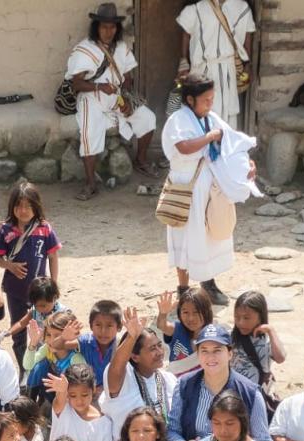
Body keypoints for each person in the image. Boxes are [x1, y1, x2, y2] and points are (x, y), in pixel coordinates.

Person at [163, 72, 258, 304]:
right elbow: (183, 147)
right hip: (187, 187)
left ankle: (209, 284)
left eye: (211, 99)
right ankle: (184, 290)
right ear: (190, 100)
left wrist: (248, 163)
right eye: (205, 99)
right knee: (185, 237)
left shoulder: (211, 118)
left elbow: (232, 143)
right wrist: (209, 137)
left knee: (211, 233)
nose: (210, 104)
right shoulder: (178, 120)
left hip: (210, 187)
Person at [67, 3, 160, 201]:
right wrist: (99, 87)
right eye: (103, 27)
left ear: (117, 28)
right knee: (89, 132)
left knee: (148, 118)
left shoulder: (122, 48)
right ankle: (91, 183)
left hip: (116, 98)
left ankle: (141, 160)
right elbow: (76, 84)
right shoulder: (85, 49)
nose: (108, 31)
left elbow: (127, 77)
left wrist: (125, 98)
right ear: (96, 27)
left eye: (112, 27)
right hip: (91, 99)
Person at [167, 323, 274, 441]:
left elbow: (263, 439)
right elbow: (172, 430)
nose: (210, 357)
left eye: (217, 350)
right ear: (198, 355)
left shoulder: (250, 392)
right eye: (204, 350)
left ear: (230, 354)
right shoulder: (184, 385)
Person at [0, 181, 60, 366]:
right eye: (19, 206)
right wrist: (10, 265)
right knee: (19, 328)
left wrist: (53, 284)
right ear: (12, 207)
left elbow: (53, 257)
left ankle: (41, 364)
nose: (23, 211)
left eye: (28, 206)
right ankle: (24, 367)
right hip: (15, 291)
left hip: (40, 291)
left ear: (36, 207)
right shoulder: (5, 230)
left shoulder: (45, 229)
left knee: (44, 327)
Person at [176, 0, 256, 129]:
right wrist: (184, 61)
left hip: (228, 68)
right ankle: (202, 146)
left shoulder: (242, 8)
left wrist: (248, 64)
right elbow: (186, 34)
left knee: (226, 114)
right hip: (201, 69)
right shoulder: (196, 9)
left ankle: (222, 146)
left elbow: (248, 36)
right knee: (200, 112)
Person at [102, 306, 178, 429]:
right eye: (152, 348)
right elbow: (116, 369)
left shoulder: (168, 379)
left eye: (159, 345)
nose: (159, 352)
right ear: (135, 357)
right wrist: (132, 337)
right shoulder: (125, 378)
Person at [47, 364, 114, 441]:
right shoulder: (63, 411)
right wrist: (61, 390)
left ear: (93, 390)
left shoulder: (104, 423)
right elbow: (59, 401)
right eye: (73, 396)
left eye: (84, 395)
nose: (79, 401)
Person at [24, 311, 86, 404]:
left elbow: (82, 385)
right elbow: (28, 366)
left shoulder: (75, 358)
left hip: (66, 397)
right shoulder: (47, 349)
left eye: (58, 336)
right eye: (48, 335)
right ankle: (29, 402)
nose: (52, 340)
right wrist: (33, 343)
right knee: (39, 366)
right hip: (49, 391)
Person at [229, 290, 285, 387]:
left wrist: (271, 331)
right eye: (237, 317)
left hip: (257, 391)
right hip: (234, 389)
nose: (241, 322)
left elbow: (280, 358)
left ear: (260, 317)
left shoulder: (266, 340)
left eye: (246, 318)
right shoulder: (231, 337)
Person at [158, 286, 214, 378]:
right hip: (177, 382)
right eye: (185, 312)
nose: (190, 318)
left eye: (196, 312)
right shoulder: (177, 329)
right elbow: (161, 325)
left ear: (206, 312)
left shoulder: (212, 334)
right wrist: (163, 313)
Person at [78, 300, 122, 386]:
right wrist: (64, 337)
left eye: (109, 326)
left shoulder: (121, 346)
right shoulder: (85, 342)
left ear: (119, 327)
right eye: (98, 325)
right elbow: (59, 346)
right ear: (91, 326)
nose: (103, 331)